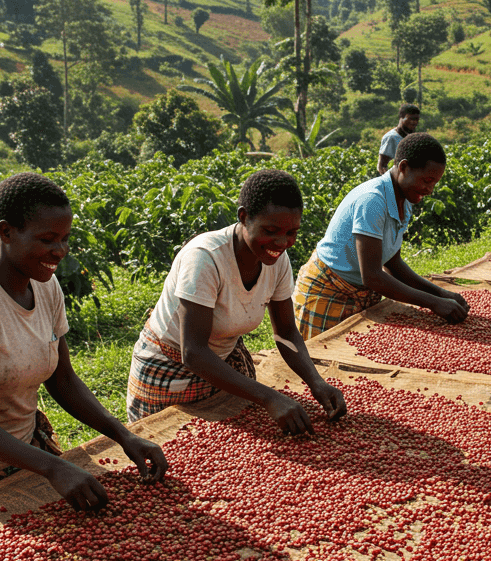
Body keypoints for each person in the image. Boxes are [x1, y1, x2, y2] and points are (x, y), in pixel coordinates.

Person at [0, 173, 167, 523]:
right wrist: (53, 468)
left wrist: (123, 435)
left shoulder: (45, 286)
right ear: (6, 232)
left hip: (22, 452)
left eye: (65, 239)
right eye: (47, 239)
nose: (59, 251)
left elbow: (63, 380)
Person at [126, 169, 346, 434]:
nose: (282, 242)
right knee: (177, 445)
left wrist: (315, 381)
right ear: (244, 217)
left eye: (291, 232)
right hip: (170, 371)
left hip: (222, 365)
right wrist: (269, 397)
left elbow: (286, 331)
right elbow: (193, 352)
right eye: (271, 230)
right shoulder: (205, 258)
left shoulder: (277, 261)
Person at [294, 133, 470, 340]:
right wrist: (432, 302)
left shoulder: (404, 201)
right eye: (427, 180)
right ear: (403, 167)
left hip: (361, 292)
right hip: (329, 290)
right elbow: (372, 275)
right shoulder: (373, 201)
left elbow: (393, 263)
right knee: (319, 359)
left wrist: (440, 293)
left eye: (434, 183)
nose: (430, 190)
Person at [377, 104, 420, 175]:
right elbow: (382, 167)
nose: (414, 122)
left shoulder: (413, 137)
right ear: (401, 117)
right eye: (411, 118)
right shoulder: (391, 138)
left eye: (416, 119)